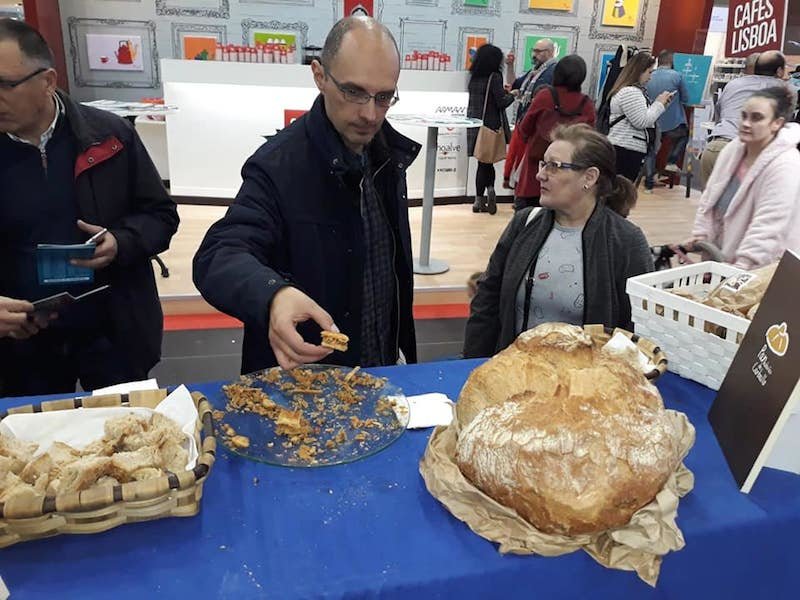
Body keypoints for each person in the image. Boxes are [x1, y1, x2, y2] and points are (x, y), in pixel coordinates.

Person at [193, 17, 419, 373]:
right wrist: (274, 295)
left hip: (384, 367)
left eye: (384, 97)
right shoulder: (278, 165)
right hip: (307, 383)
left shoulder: (389, 155)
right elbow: (219, 254)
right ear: (319, 76)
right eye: (354, 92)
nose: (370, 113)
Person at [0, 19, 178, 397]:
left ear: (47, 81)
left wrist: (121, 241)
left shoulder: (111, 137)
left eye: (5, 85)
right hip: (21, 346)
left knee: (133, 442)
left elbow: (161, 216)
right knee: (39, 449)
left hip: (115, 332)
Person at [463, 124, 654, 358]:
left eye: (554, 166)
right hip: (514, 376)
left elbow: (636, 329)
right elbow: (487, 302)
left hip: (583, 388)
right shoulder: (524, 223)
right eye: (544, 164)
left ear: (589, 177)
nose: (540, 174)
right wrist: (473, 363)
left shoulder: (626, 242)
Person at [688, 87, 800, 270]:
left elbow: (768, 226)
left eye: (757, 118)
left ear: (776, 123)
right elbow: (709, 199)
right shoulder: (733, 149)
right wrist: (701, 237)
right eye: (744, 116)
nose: (746, 123)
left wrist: (741, 267)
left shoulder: (786, 164)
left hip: (763, 269)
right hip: (722, 261)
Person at [513, 55, 596, 209]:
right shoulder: (586, 104)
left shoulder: (545, 96)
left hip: (536, 168)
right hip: (569, 174)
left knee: (528, 219)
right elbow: (590, 139)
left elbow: (524, 129)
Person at [701, 50, 788, 185]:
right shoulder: (784, 89)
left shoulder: (733, 84)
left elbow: (719, 114)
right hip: (744, 153)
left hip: (714, 148)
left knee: (710, 204)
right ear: (779, 71)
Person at [607, 51, 673, 183]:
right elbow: (641, 121)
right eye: (649, 72)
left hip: (624, 148)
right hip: (626, 150)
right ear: (639, 71)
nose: (650, 77)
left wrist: (661, 106)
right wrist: (659, 104)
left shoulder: (627, 90)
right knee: (619, 193)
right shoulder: (631, 92)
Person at [467, 44, 516, 214]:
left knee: (482, 161)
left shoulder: (474, 76)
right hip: (491, 125)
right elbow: (501, 102)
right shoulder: (495, 76)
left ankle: (478, 200)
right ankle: (490, 190)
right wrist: (513, 95)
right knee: (488, 162)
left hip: (474, 123)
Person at [503, 39, 557, 188]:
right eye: (533, 50)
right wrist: (509, 66)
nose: (534, 55)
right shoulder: (533, 72)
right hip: (524, 124)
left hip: (536, 128)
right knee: (518, 165)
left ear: (550, 52)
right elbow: (514, 84)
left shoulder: (553, 71)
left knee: (529, 170)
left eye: (539, 51)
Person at [643, 49, 690, 193]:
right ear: (671, 62)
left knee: (651, 149)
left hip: (652, 119)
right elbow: (686, 99)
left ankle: (649, 183)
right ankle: (671, 161)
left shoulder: (649, 76)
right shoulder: (677, 76)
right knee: (683, 136)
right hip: (673, 121)